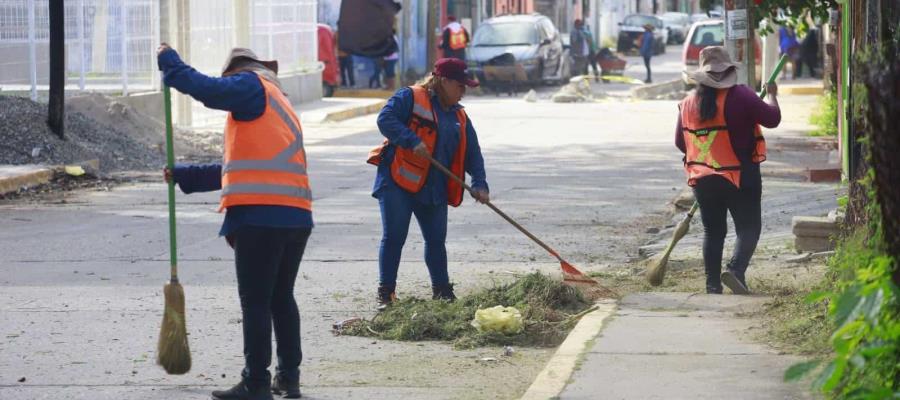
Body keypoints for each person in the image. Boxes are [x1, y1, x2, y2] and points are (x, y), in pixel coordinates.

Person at [158, 44, 312, 400]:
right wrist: (185, 176)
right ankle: (289, 377)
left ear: (240, 72)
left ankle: (255, 382)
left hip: (261, 218)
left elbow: (208, 90)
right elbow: (234, 169)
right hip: (294, 216)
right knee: (279, 298)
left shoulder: (250, 86)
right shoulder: (276, 103)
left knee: (256, 301)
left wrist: (171, 64)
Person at [367, 58, 489, 310]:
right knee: (394, 236)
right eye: (460, 85)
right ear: (443, 81)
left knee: (436, 240)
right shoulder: (409, 97)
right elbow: (385, 119)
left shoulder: (460, 116)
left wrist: (480, 183)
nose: (463, 92)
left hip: (433, 187)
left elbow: (472, 153)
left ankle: (442, 292)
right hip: (397, 180)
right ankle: (385, 293)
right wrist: (410, 140)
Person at [675, 46, 781, 295]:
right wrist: (773, 95)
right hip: (740, 174)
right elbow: (772, 118)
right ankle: (735, 270)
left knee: (713, 231)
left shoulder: (688, 103)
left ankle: (712, 285)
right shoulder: (741, 96)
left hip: (703, 179)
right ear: (729, 71)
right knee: (748, 227)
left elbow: (681, 143)